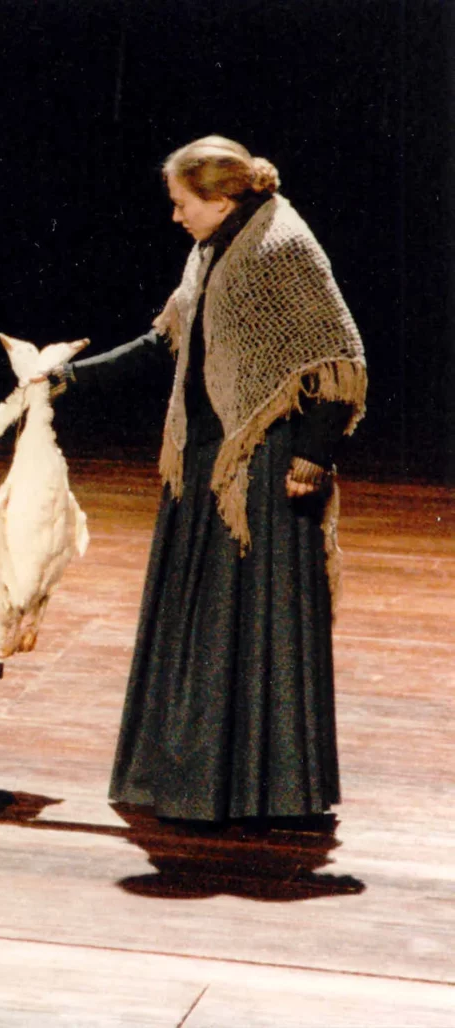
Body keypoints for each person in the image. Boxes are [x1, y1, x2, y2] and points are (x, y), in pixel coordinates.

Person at [57, 136, 368, 825]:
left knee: (252, 625)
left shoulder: (281, 246)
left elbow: (339, 358)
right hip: (204, 455)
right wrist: (73, 376)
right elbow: (168, 340)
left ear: (220, 198)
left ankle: (266, 790)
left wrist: (313, 456)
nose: (175, 217)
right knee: (196, 618)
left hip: (261, 464)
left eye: (181, 204)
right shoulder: (211, 247)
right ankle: (182, 780)